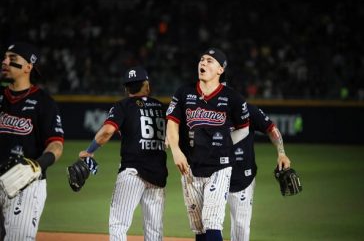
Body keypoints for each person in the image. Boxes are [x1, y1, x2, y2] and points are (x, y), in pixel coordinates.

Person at [166, 48, 250, 241]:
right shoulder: (184, 92)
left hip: (219, 167)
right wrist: (176, 150)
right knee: (199, 229)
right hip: (189, 167)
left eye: (210, 61)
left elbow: (244, 128)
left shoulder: (232, 98)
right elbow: (172, 122)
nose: (203, 63)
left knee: (212, 223)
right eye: (202, 59)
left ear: (221, 69)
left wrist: (225, 146)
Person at [78, 66, 168, 241]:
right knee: (154, 230)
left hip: (132, 172)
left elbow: (106, 132)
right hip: (157, 174)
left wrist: (89, 152)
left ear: (126, 88)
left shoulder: (123, 105)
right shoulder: (160, 106)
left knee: (119, 224)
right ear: (147, 85)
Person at [0, 42, 64, 240]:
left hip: (24, 185)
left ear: (28, 67)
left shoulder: (44, 103)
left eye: (12, 59)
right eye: (4, 57)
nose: (4, 62)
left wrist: (36, 165)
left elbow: (56, 145)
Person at [227, 103, 291, 241]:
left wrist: (281, 153)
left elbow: (271, 128)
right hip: (211, 172)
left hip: (242, 176)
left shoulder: (247, 109)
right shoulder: (207, 109)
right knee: (208, 223)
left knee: (240, 229)